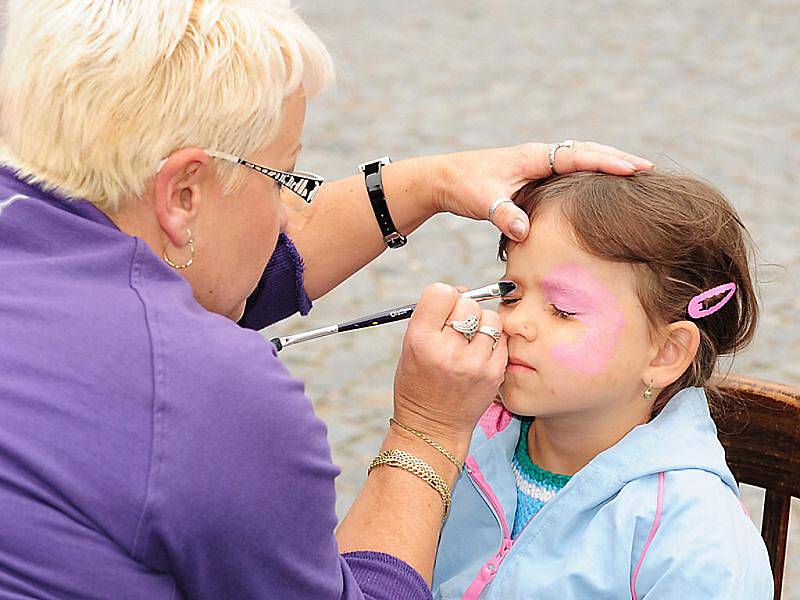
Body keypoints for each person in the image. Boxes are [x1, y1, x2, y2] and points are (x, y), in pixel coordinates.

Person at [0, 1, 653, 598]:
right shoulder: (205, 391)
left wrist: (432, 181)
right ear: (184, 194)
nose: (291, 215)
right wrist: (425, 431)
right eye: (282, 177)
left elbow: (192, 279)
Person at [432, 170, 774, 599]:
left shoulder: (695, 538)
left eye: (563, 309)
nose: (515, 322)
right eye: (511, 294)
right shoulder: (462, 435)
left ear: (664, 353)